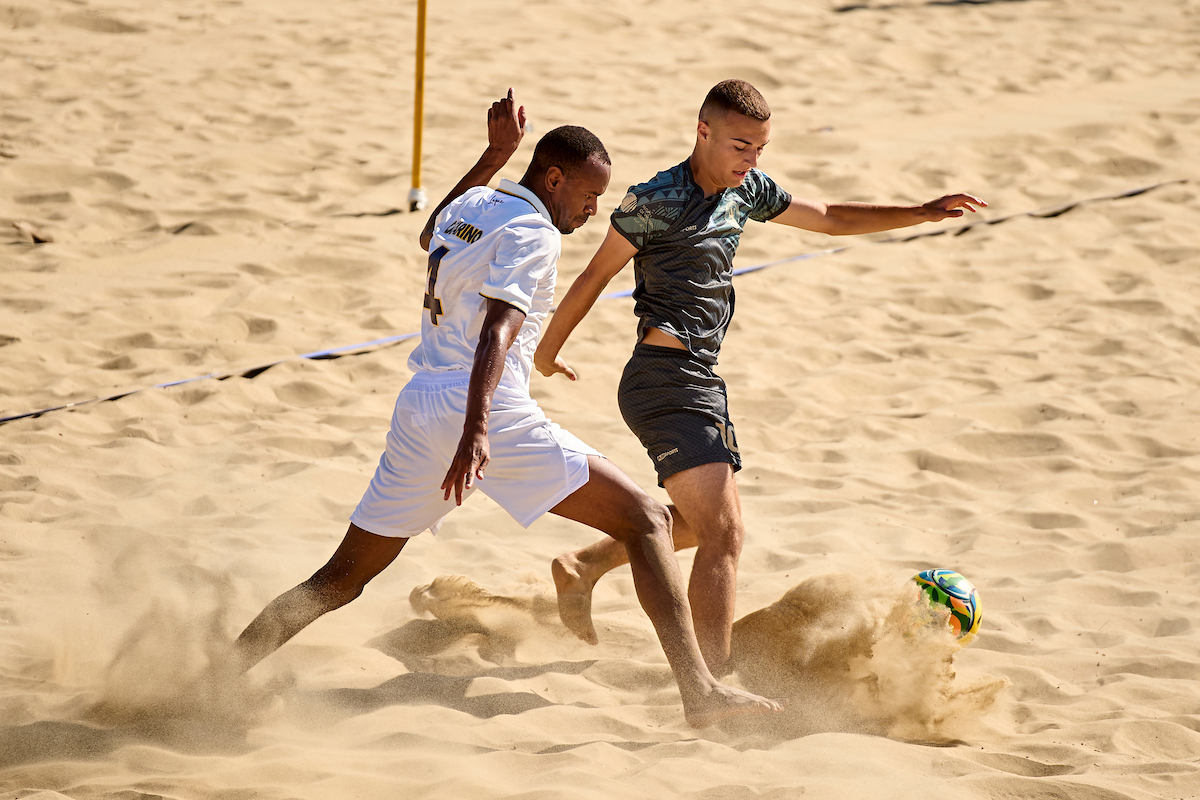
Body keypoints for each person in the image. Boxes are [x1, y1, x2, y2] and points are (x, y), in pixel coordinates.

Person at [232, 90, 782, 728]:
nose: (592, 209)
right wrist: (476, 433)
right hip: (483, 408)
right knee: (646, 522)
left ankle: (215, 674)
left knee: (339, 579)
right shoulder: (535, 233)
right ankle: (701, 691)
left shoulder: (474, 203)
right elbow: (497, 329)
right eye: (587, 194)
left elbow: (428, 228)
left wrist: (494, 154)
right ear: (554, 179)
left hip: (418, 409)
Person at [534, 79, 987, 676]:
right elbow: (593, 277)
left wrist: (920, 211)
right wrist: (546, 352)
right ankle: (714, 683)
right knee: (726, 536)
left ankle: (585, 566)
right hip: (663, 379)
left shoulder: (746, 190)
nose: (750, 160)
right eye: (740, 145)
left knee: (699, 525)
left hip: (700, 380)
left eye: (760, 149)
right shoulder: (655, 201)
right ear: (703, 133)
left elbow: (827, 217)